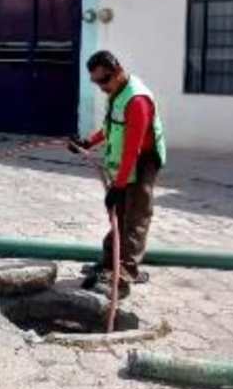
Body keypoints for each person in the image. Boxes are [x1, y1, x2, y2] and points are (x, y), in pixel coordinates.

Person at [68, 50, 166, 298]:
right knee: (118, 214)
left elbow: (133, 149)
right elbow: (110, 128)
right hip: (126, 161)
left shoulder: (137, 101)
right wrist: (87, 143)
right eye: (96, 82)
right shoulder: (116, 94)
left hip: (143, 160)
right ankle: (108, 265)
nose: (101, 86)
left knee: (135, 217)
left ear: (118, 71)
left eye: (104, 80)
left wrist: (119, 186)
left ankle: (124, 276)